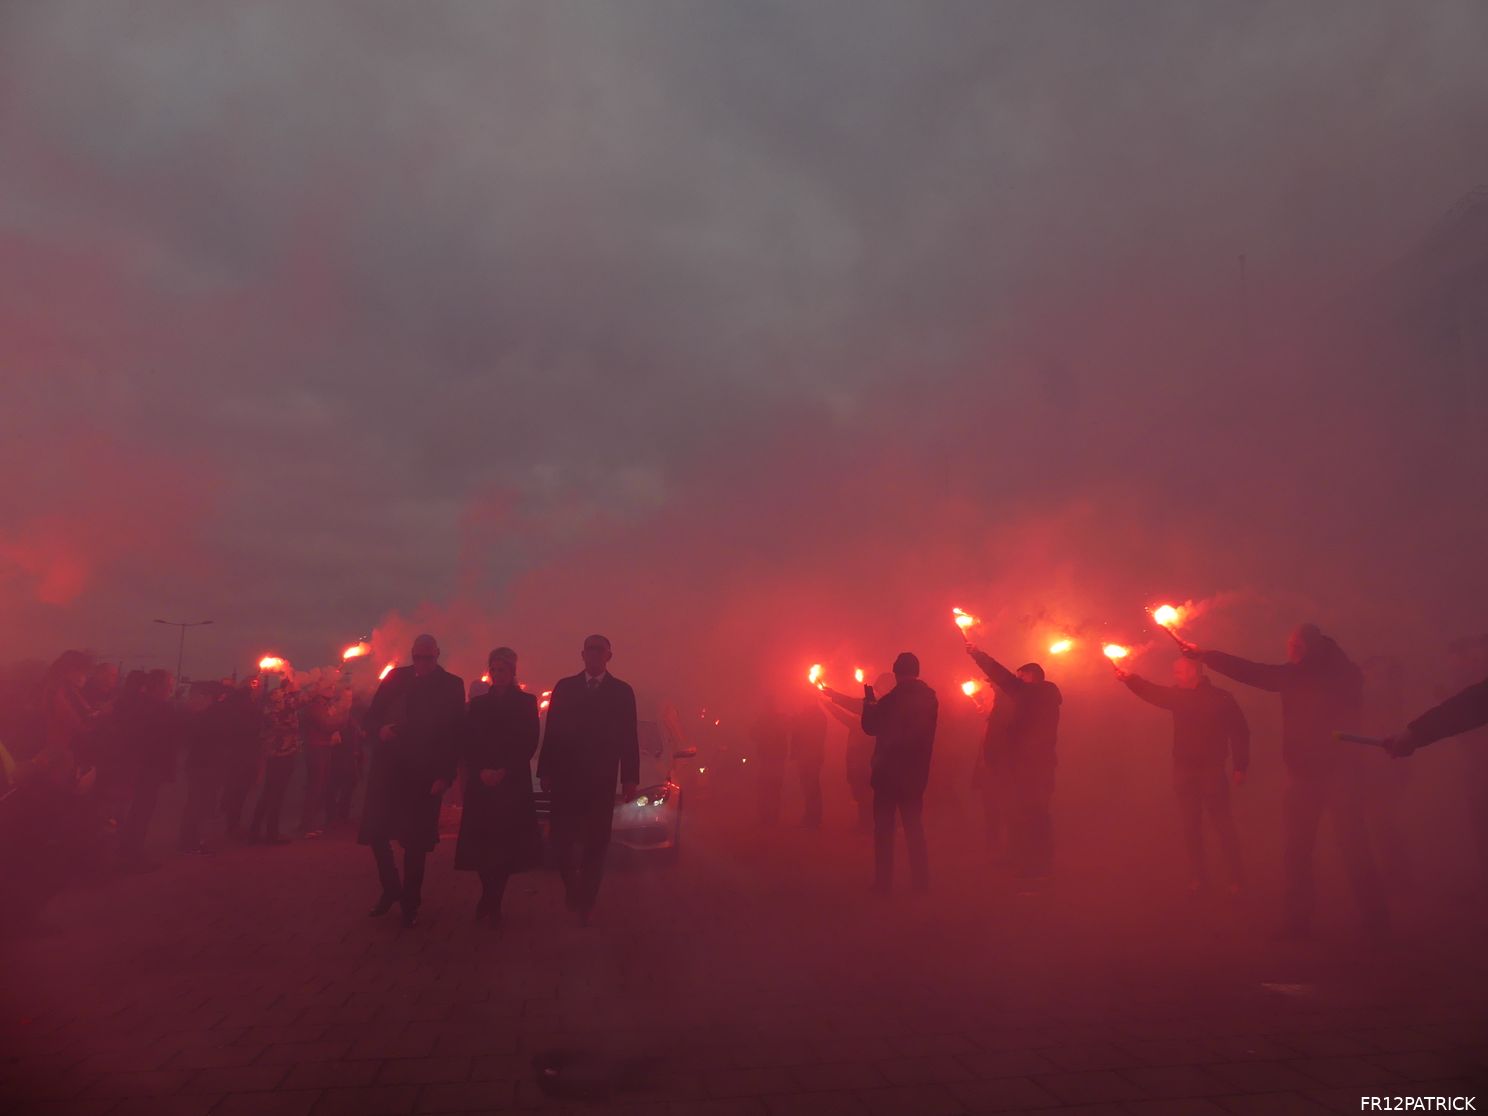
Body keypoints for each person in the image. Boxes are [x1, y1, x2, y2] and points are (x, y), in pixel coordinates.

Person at [1184, 624, 1388, 939]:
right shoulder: (1325, 672)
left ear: (1307, 648)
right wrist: (1207, 656)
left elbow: (1256, 674)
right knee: (1299, 851)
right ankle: (1300, 922)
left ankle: (1371, 922)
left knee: (1350, 847)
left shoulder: (1328, 675)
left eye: (1294, 647)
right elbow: (1258, 673)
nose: (1289, 652)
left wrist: (1208, 656)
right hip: (1304, 774)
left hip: (1337, 775)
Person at [1114, 657, 1249, 894]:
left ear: (1194, 671)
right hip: (1184, 769)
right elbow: (1152, 692)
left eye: (1179, 671)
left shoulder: (1220, 697)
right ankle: (1198, 878)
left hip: (1212, 769)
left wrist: (1240, 765)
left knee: (1222, 824)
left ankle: (1236, 878)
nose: (1174, 675)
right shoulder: (1178, 696)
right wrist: (1130, 680)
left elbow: (1239, 731)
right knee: (1190, 826)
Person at [360, 634, 464, 927]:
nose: (421, 664)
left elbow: (455, 734)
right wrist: (380, 731)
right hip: (389, 771)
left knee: (415, 843)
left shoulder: (451, 685)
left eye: (427, 658)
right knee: (377, 833)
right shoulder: (396, 678)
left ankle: (410, 901)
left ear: (437, 655)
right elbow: (371, 718)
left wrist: (445, 774)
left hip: (424, 773)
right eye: (417, 657)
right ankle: (391, 888)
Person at [536, 635, 639, 927]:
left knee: (596, 843)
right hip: (567, 778)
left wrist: (629, 778)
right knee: (561, 841)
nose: (594, 655)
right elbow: (552, 731)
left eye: (599, 650)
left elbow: (628, 738)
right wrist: (545, 770)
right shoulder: (565, 688)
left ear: (609, 655)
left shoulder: (621, 692)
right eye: (590, 650)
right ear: (582, 654)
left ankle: (587, 901)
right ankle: (572, 887)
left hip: (601, 780)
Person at [455, 647, 542, 927]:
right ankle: (488, 894)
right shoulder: (479, 705)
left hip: (510, 781)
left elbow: (528, 740)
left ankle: (494, 900)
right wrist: (481, 769)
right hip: (483, 782)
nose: (497, 675)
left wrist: (504, 769)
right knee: (482, 843)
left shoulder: (526, 702)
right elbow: (469, 741)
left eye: (502, 670)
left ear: (512, 671)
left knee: (505, 844)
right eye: (493, 670)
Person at [965, 644, 1062, 889]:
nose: (1017, 681)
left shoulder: (1038, 695)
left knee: (1035, 816)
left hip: (1036, 768)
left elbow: (1006, 680)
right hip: (1024, 767)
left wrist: (979, 656)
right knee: (1022, 814)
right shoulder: (1030, 699)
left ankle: (1038, 867)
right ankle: (1022, 859)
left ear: (1034, 678)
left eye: (1022, 677)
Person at [861, 652, 938, 894]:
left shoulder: (892, 700)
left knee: (884, 831)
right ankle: (921, 883)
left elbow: (870, 727)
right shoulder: (930, 698)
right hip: (915, 774)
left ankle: (883, 884)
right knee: (914, 829)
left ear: (896, 673)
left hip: (888, 775)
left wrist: (869, 703)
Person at [117, 669, 179, 870]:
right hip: (150, 768)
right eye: (170, 683)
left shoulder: (134, 704)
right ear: (161, 686)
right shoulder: (160, 709)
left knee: (134, 811)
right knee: (141, 812)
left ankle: (126, 850)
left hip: (135, 766)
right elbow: (164, 742)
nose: (172, 687)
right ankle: (133, 855)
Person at [820, 676, 889, 834]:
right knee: (863, 794)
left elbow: (853, 707)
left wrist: (833, 698)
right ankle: (867, 823)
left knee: (866, 794)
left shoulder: (879, 711)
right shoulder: (867, 716)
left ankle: (869, 825)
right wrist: (830, 701)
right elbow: (851, 710)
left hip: (867, 762)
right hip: (863, 762)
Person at [249, 675, 300, 845]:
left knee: (270, 793)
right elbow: (280, 722)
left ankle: (257, 831)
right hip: (281, 751)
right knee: (275, 793)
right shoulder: (283, 698)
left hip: (277, 750)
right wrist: (293, 728)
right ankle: (269, 832)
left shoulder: (278, 697)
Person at [178, 681, 228, 854]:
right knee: (197, 804)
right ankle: (188, 842)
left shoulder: (204, 715)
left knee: (200, 804)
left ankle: (192, 839)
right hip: (203, 766)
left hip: (204, 765)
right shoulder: (202, 716)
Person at [298, 683, 348, 838]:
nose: (332, 689)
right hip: (316, 749)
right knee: (315, 786)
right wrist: (344, 713)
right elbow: (327, 725)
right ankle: (307, 825)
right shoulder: (315, 708)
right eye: (328, 687)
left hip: (322, 747)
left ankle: (310, 823)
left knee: (319, 785)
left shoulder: (321, 706)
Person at [220, 676, 264, 839]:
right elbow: (248, 727)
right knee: (238, 789)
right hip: (241, 752)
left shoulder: (240, 703)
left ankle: (230, 819)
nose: (258, 690)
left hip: (240, 751)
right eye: (256, 686)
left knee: (237, 789)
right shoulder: (244, 705)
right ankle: (232, 824)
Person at [788, 700, 827, 829]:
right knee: (807, 786)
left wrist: (798, 722)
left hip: (812, 756)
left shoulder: (817, 716)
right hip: (806, 756)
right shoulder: (810, 715)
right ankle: (811, 815)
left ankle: (813, 817)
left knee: (812, 787)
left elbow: (812, 734)